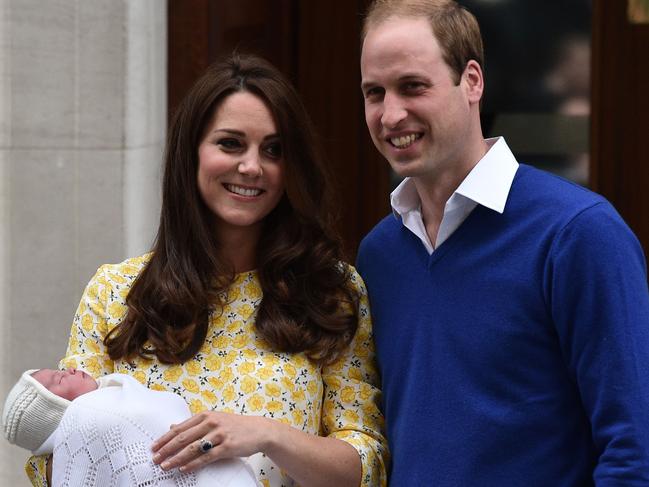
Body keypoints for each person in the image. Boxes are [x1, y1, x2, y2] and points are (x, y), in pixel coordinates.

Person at [25, 53, 388, 487]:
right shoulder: (115, 292)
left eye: (273, 150)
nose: (252, 166)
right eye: (231, 143)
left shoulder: (332, 291)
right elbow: (57, 451)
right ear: (191, 152)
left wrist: (266, 435)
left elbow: (366, 465)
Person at [355, 0, 649, 485]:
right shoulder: (379, 254)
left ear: (472, 81)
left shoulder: (578, 233)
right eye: (374, 92)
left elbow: (632, 451)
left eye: (413, 87)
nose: (390, 114)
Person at [4, 368, 259, 486]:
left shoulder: (113, 397)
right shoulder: (90, 415)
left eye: (60, 370)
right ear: (52, 409)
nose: (68, 369)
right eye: (58, 379)